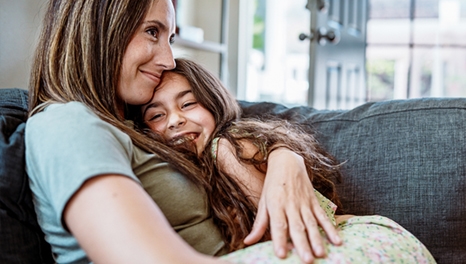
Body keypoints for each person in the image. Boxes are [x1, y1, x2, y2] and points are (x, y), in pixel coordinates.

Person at [25, 0, 340, 264]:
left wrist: (285, 156)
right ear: (99, 29)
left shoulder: (132, 122)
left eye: (170, 38)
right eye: (152, 32)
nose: (169, 59)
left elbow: (224, 118)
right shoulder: (68, 125)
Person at [131, 58, 436, 263]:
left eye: (188, 104)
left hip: (365, 245)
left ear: (213, 104)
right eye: (157, 115)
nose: (175, 120)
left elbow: (272, 233)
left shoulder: (224, 147)